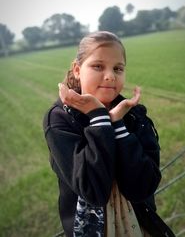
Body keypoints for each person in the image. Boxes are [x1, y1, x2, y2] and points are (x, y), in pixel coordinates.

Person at [43, 31, 175, 237]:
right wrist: (99, 118)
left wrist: (118, 125)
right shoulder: (60, 119)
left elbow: (144, 186)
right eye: (98, 66)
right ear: (77, 70)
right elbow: (93, 191)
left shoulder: (134, 116)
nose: (110, 75)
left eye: (118, 68)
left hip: (140, 225)